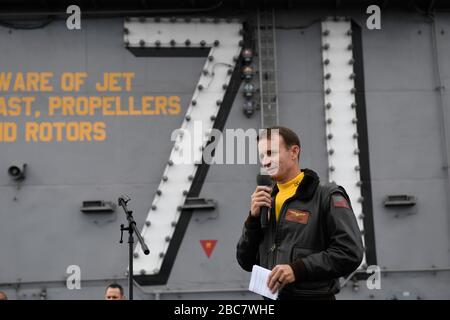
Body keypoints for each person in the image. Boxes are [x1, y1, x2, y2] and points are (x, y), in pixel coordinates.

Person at [236, 126, 364, 300]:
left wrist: (297, 269)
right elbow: (246, 261)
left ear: (294, 152)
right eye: (261, 156)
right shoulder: (265, 201)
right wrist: (252, 220)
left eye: (271, 153)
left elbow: (349, 252)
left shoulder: (326, 195)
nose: (265, 161)